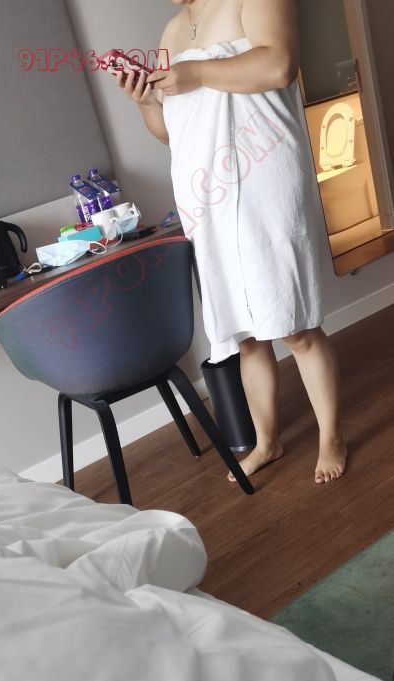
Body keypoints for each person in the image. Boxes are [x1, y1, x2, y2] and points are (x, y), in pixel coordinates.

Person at [113, 0, 347, 484]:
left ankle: (331, 437)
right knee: (246, 336)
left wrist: (196, 73)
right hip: (206, 198)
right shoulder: (172, 31)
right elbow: (171, 132)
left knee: (296, 326)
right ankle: (267, 441)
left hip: (265, 178)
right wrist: (145, 101)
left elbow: (279, 65)